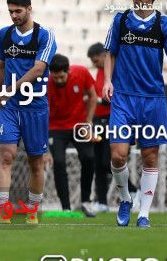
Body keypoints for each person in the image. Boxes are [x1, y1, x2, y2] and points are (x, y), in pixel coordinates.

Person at [103, 0, 167, 228]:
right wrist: (107, 81)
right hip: (123, 97)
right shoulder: (121, 20)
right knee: (118, 156)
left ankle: (144, 214)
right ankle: (125, 198)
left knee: (150, 157)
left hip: (153, 99)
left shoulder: (165, 25)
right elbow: (109, 53)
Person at [0, 0, 56, 225]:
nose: (13, 15)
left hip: (36, 107)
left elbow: (39, 69)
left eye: (18, 11)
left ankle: (32, 209)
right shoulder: (5, 34)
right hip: (10, 107)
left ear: (29, 9)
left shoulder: (44, 35)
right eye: (10, 11)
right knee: (6, 155)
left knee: (35, 161)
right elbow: (0, 65)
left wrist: (12, 88)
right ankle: (3, 210)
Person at [87, 43, 138, 212]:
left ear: (104, 56)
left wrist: (98, 100)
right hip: (98, 121)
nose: (95, 64)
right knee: (98, 163)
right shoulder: (100, 74)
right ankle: (102, 202)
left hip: (113, 119)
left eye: (96, 60)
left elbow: (111, 95)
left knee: (110, 161)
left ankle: (132, 190)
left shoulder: (115, 72)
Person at [47, 53, 97, 217]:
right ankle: (66, 207)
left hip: (79, 125)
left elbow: (92, 95)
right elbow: (41, 112)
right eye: (55, 77)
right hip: (55, 128)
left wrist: (89, 122)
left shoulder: (82, 72)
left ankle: (85, 201)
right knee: (59, 163)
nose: (59, 80)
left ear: (68, 71)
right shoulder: (45, 83)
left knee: (89, 158)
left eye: (61, 77)